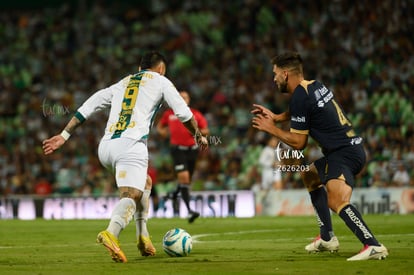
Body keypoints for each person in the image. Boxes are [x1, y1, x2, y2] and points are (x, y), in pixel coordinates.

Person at [42, 51, 208, 263]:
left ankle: (143, 237)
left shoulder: (123, 82)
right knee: (131, 194)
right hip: (131, 146)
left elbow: (90, 104)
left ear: (140, 69)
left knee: (145, 182)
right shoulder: (161, 81)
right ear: (161, 69)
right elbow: (184, 114)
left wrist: (64, 135)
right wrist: (198, 136)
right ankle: (111, 232)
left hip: (106, 147)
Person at [251, 51, 388, 261]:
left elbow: (299, 143)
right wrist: (278, 118)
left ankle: (372, 245)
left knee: (337, 200)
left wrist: (271, 129)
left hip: (344, 154)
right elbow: (305, 110)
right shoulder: (313, 85)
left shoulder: (299, 97)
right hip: (350, 148)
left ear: (286, 74)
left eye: (276, 73)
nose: (274, 78)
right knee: (309, 175)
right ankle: (327, 238)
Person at [157, 90, 209, 223]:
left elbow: (206, 130)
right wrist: (163, 132)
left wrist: (196, 132)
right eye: (181, 97)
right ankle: (190, 210)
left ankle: (174, 194)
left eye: (185, 97)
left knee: (186, 181)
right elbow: (160, 127)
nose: (183, 99)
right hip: (177, 149)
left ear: (189, 100)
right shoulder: (169, 114)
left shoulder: (195, 114)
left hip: (192, 150)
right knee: (184, 178)